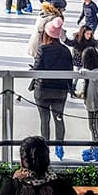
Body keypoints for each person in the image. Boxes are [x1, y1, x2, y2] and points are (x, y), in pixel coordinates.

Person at [30, 17, 74, 159]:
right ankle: (60, 147)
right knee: (59, 118)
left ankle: (45, 149)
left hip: (43, 90)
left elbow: (37, 69)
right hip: (60, 91)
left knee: (45, 119)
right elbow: (70, 71)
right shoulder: (66, 51)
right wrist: (69, 88)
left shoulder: (43, 50)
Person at [78, 46, 98, 162]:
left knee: (93, 126)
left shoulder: (95, 73)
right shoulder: (96, 72)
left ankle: (97, 149)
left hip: (94, 102)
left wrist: (83, 71)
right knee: (94, 125)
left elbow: (89, 75)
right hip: (93, 101)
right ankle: (95, 147)